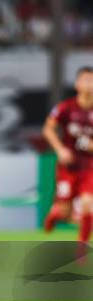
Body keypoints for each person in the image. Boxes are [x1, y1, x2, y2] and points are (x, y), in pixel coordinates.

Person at [43, 66, 93, 246]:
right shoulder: (66, 107)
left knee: (89, 204)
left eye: (92, 81)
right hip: (68, 166)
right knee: (64, 212)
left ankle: (82, 248)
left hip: (89, 165)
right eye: (86, 80)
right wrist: (60, 149)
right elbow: (48, 129)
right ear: (77, 84)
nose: (89, 84)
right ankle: (54, 214)